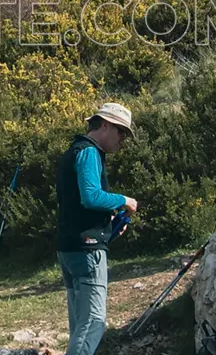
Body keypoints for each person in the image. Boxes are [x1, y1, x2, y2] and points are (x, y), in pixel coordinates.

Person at [56, 102, 138, 355]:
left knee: (79, 324)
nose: (122, 139)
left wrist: (108, 226)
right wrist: (124, 200)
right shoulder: (90, 152)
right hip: (87, 251)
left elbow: (78, 205)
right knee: (93, 322)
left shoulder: (73, 151)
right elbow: (91, 197)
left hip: (69, 247)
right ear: (104, 125)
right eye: (120, 132)